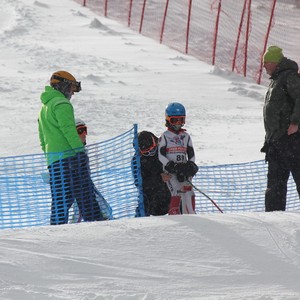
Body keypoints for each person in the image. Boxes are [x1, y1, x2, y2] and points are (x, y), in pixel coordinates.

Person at [38, 70, 103, 225]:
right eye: (71, 89)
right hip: (70, 158)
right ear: (62, 86)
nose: (72, 93)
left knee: (60, 200)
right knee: (84, 194)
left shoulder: (44, 108)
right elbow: (68, 130)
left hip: (54, 161)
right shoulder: (62, 104)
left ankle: (57, 228)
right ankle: (97, 224)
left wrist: (50, 156)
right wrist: (79, 151)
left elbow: (42, 138)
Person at [261, 46, 300, 211]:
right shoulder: (276, 80)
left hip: (291, 140)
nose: (264, 67)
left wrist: (295, 122)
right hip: (276, 141)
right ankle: (274, 218)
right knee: (275, 185)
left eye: (266, 63)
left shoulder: (289, 77)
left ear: (275, 62)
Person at [158, 102, 198, 214]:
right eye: (175, 120)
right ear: (168, 120)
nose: (178, 124)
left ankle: (191, 214)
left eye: (181, 120)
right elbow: (161, 155)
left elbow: (191, 153)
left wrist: (191, 165)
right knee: (176, 191)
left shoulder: (186, 136)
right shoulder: (165, 136)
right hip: (171, 172)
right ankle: (174, 214)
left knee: (189, 191)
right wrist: (170, 165)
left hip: (184, 170)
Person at [132, 131, 171, 216]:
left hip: (168, 199)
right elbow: (139, 183)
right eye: (146, 152)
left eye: (152, 149)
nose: (150, 153)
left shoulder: (164, 151)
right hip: (149, 203)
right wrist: (159, 179)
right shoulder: (137, 161)